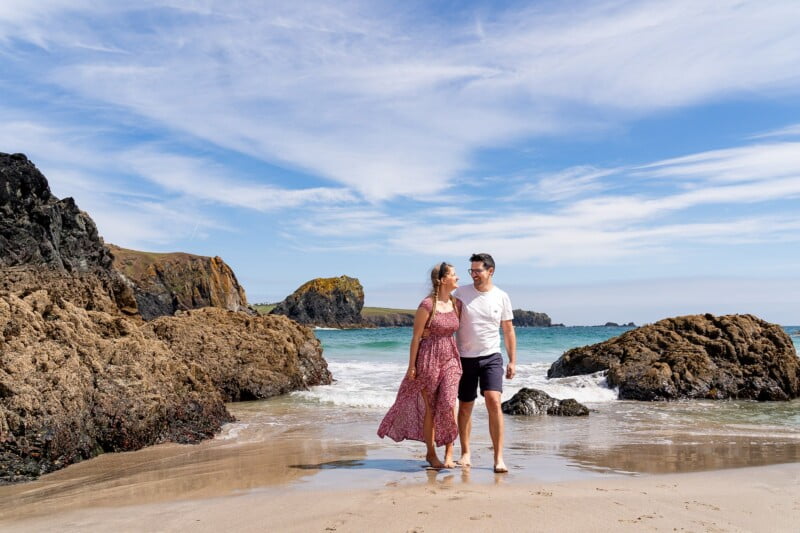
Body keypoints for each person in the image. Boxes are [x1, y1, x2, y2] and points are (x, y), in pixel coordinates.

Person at [377, 262, 463, 469]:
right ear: (442, 280)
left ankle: (450, 453)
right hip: (428, 359)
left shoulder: (457, 304)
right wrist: (411, 368)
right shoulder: (427, 306)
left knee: (449, 403)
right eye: (453, 274)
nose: (458, 278)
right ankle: (431, 454)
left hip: (451, 357)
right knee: (431, 409)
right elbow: (416, 337)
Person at [453, 253, 516, 473]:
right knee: (465, 406)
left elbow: (508, 330)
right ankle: (465, 453)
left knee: (493, 401)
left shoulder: (501, 296)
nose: (473, 275)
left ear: (490, 271)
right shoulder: (460, 294)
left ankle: (499, 458)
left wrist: (512, 361)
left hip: (491, 356)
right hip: (464, 357)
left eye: (477, 270)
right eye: (471, 271)